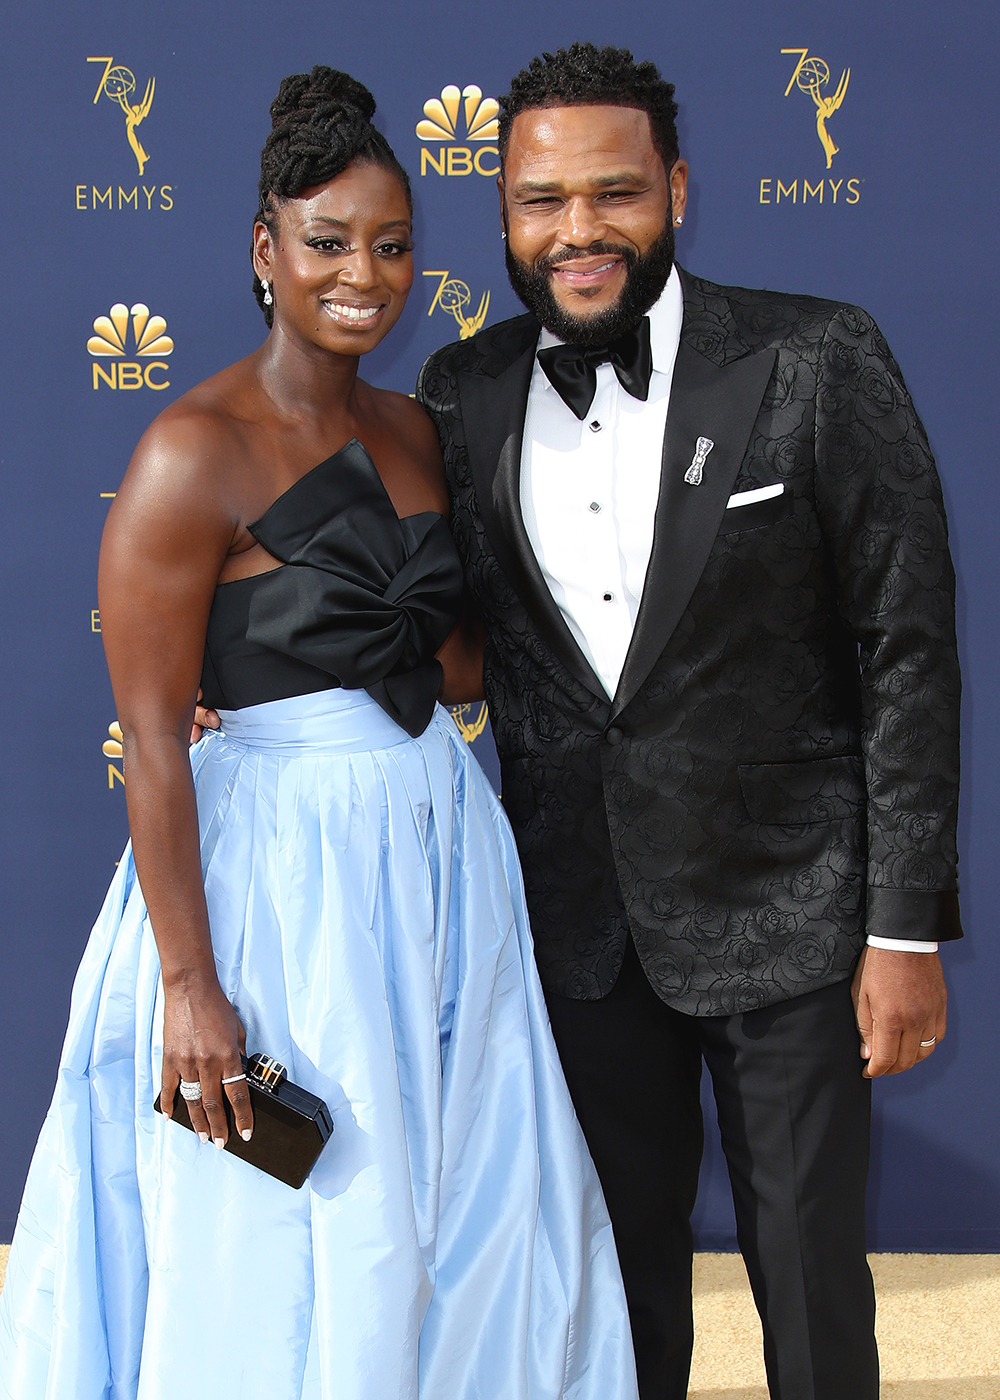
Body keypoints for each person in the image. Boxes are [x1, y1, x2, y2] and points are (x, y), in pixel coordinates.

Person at [0, 67, 638, 1400]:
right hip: (278, 882)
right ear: (263, 251)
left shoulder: (417, 428)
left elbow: (457, 658)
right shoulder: (191, 450)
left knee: (461, 1209)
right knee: (293, 1220)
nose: (366, 274)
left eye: (393, 245)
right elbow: (156, 738)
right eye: (330, 242)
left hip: (439, 854)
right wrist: (190, 985)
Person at [409, 42, 963, 1400]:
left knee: (812, 1282)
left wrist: (901, 930)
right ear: (503, 215)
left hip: (793, 915)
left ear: (678, 189)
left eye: (614, 193)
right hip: (579, 927)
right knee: (608, 1284)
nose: (578, 230)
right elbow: (432, 632)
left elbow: (906, 648)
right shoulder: (458, 391)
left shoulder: (813, 356)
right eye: (541, 201)